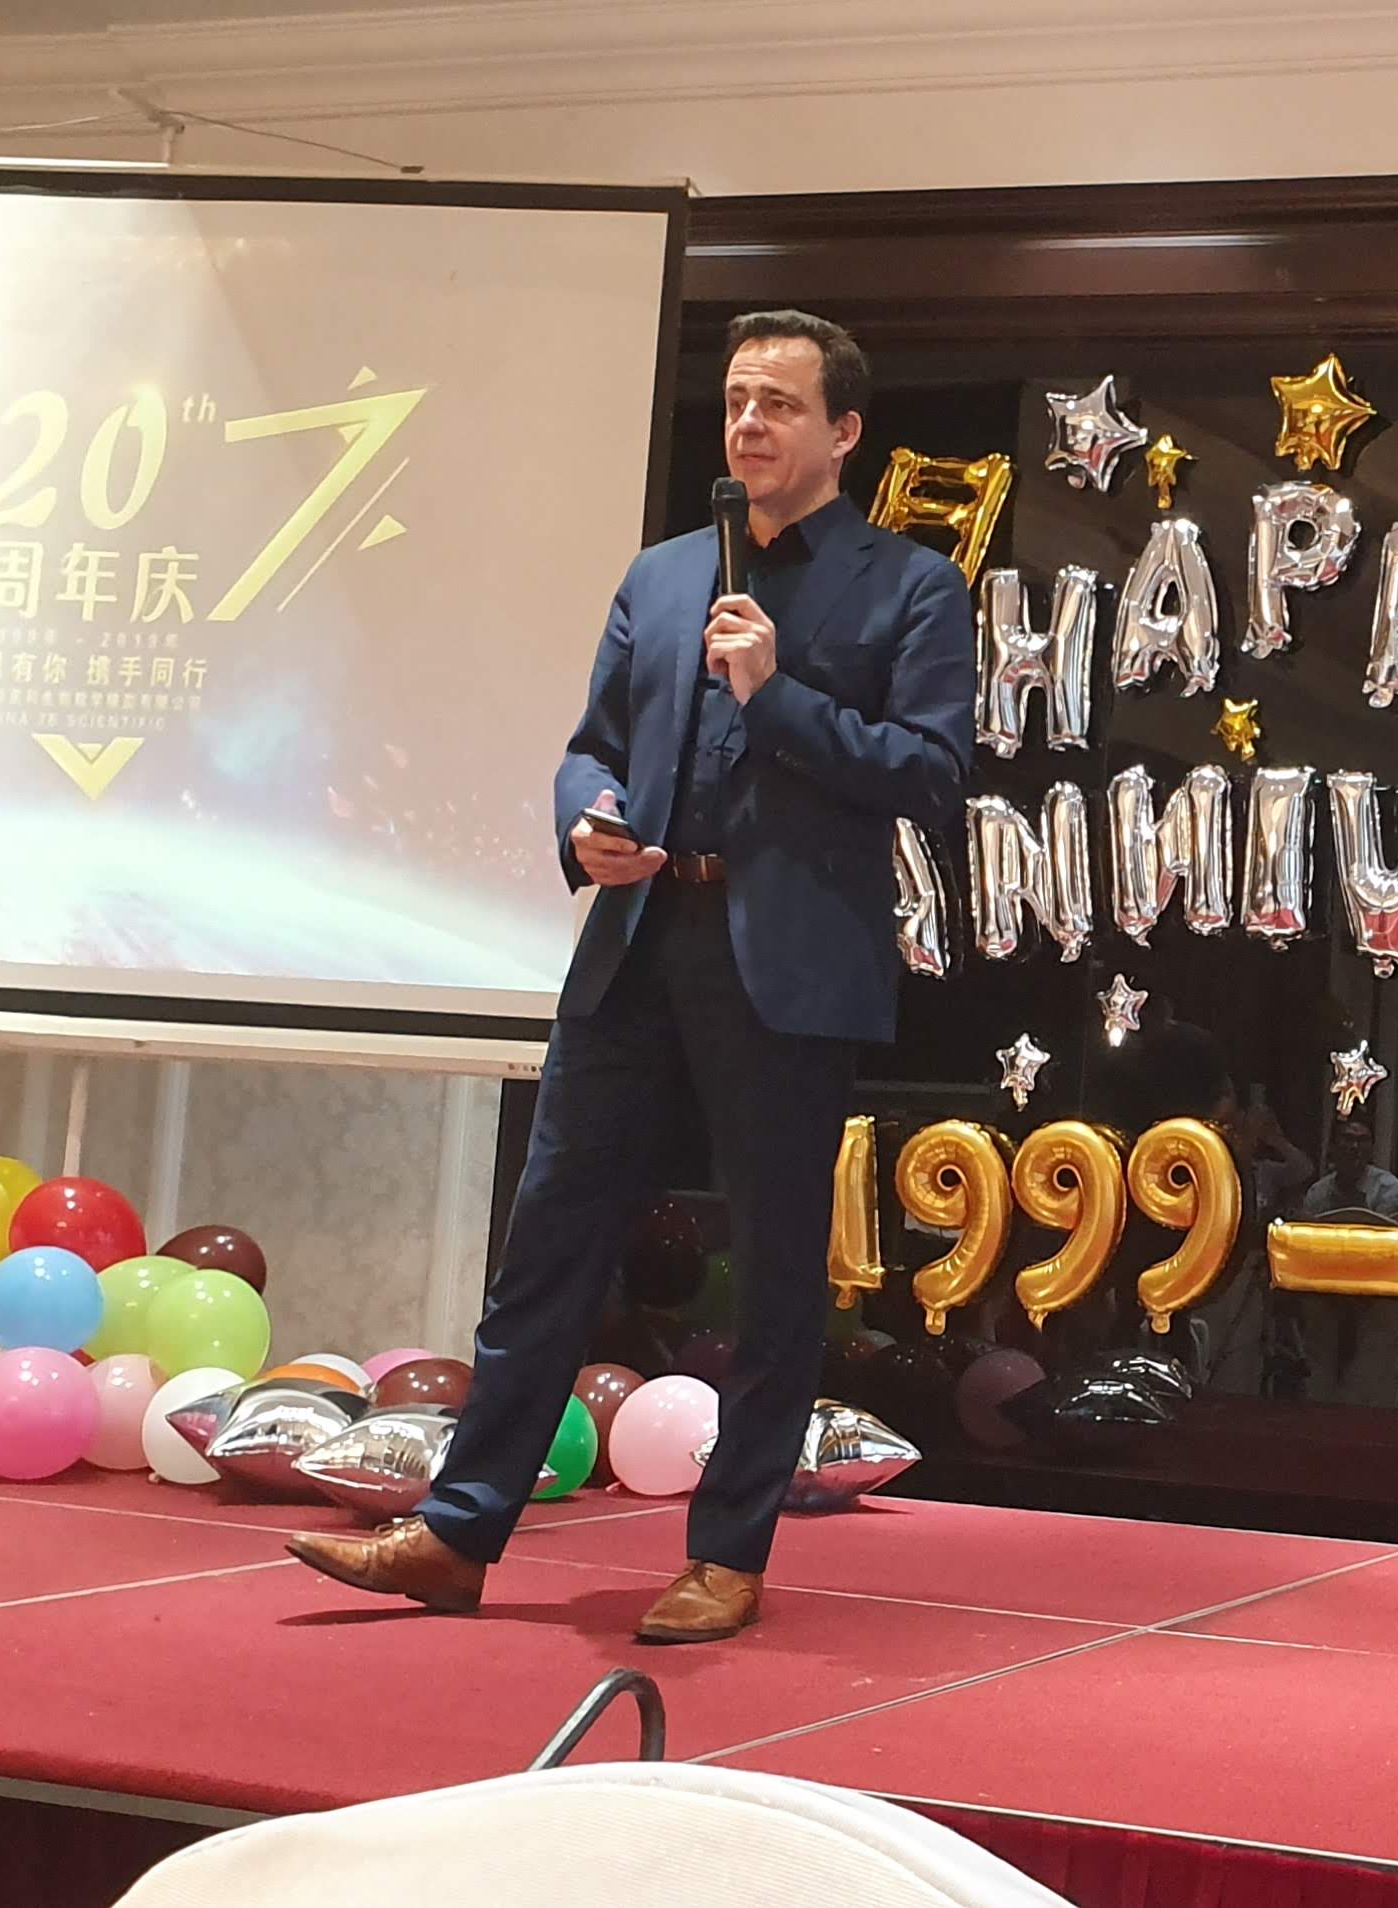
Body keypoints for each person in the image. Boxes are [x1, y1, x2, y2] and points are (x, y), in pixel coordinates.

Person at [282, 311, 975, 1645]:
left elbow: (932, 774)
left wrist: (776, 694)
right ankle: (459, 1530)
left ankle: (727, 1554)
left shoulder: (910, 587)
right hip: (638, 938)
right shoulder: (662, 577)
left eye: (781, 404)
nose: (750, 423)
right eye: (738, 400)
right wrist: (585, 821)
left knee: (772, 1272)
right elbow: (592, 744)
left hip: (786, 966)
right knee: (547, 1244)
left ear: (844, 432)